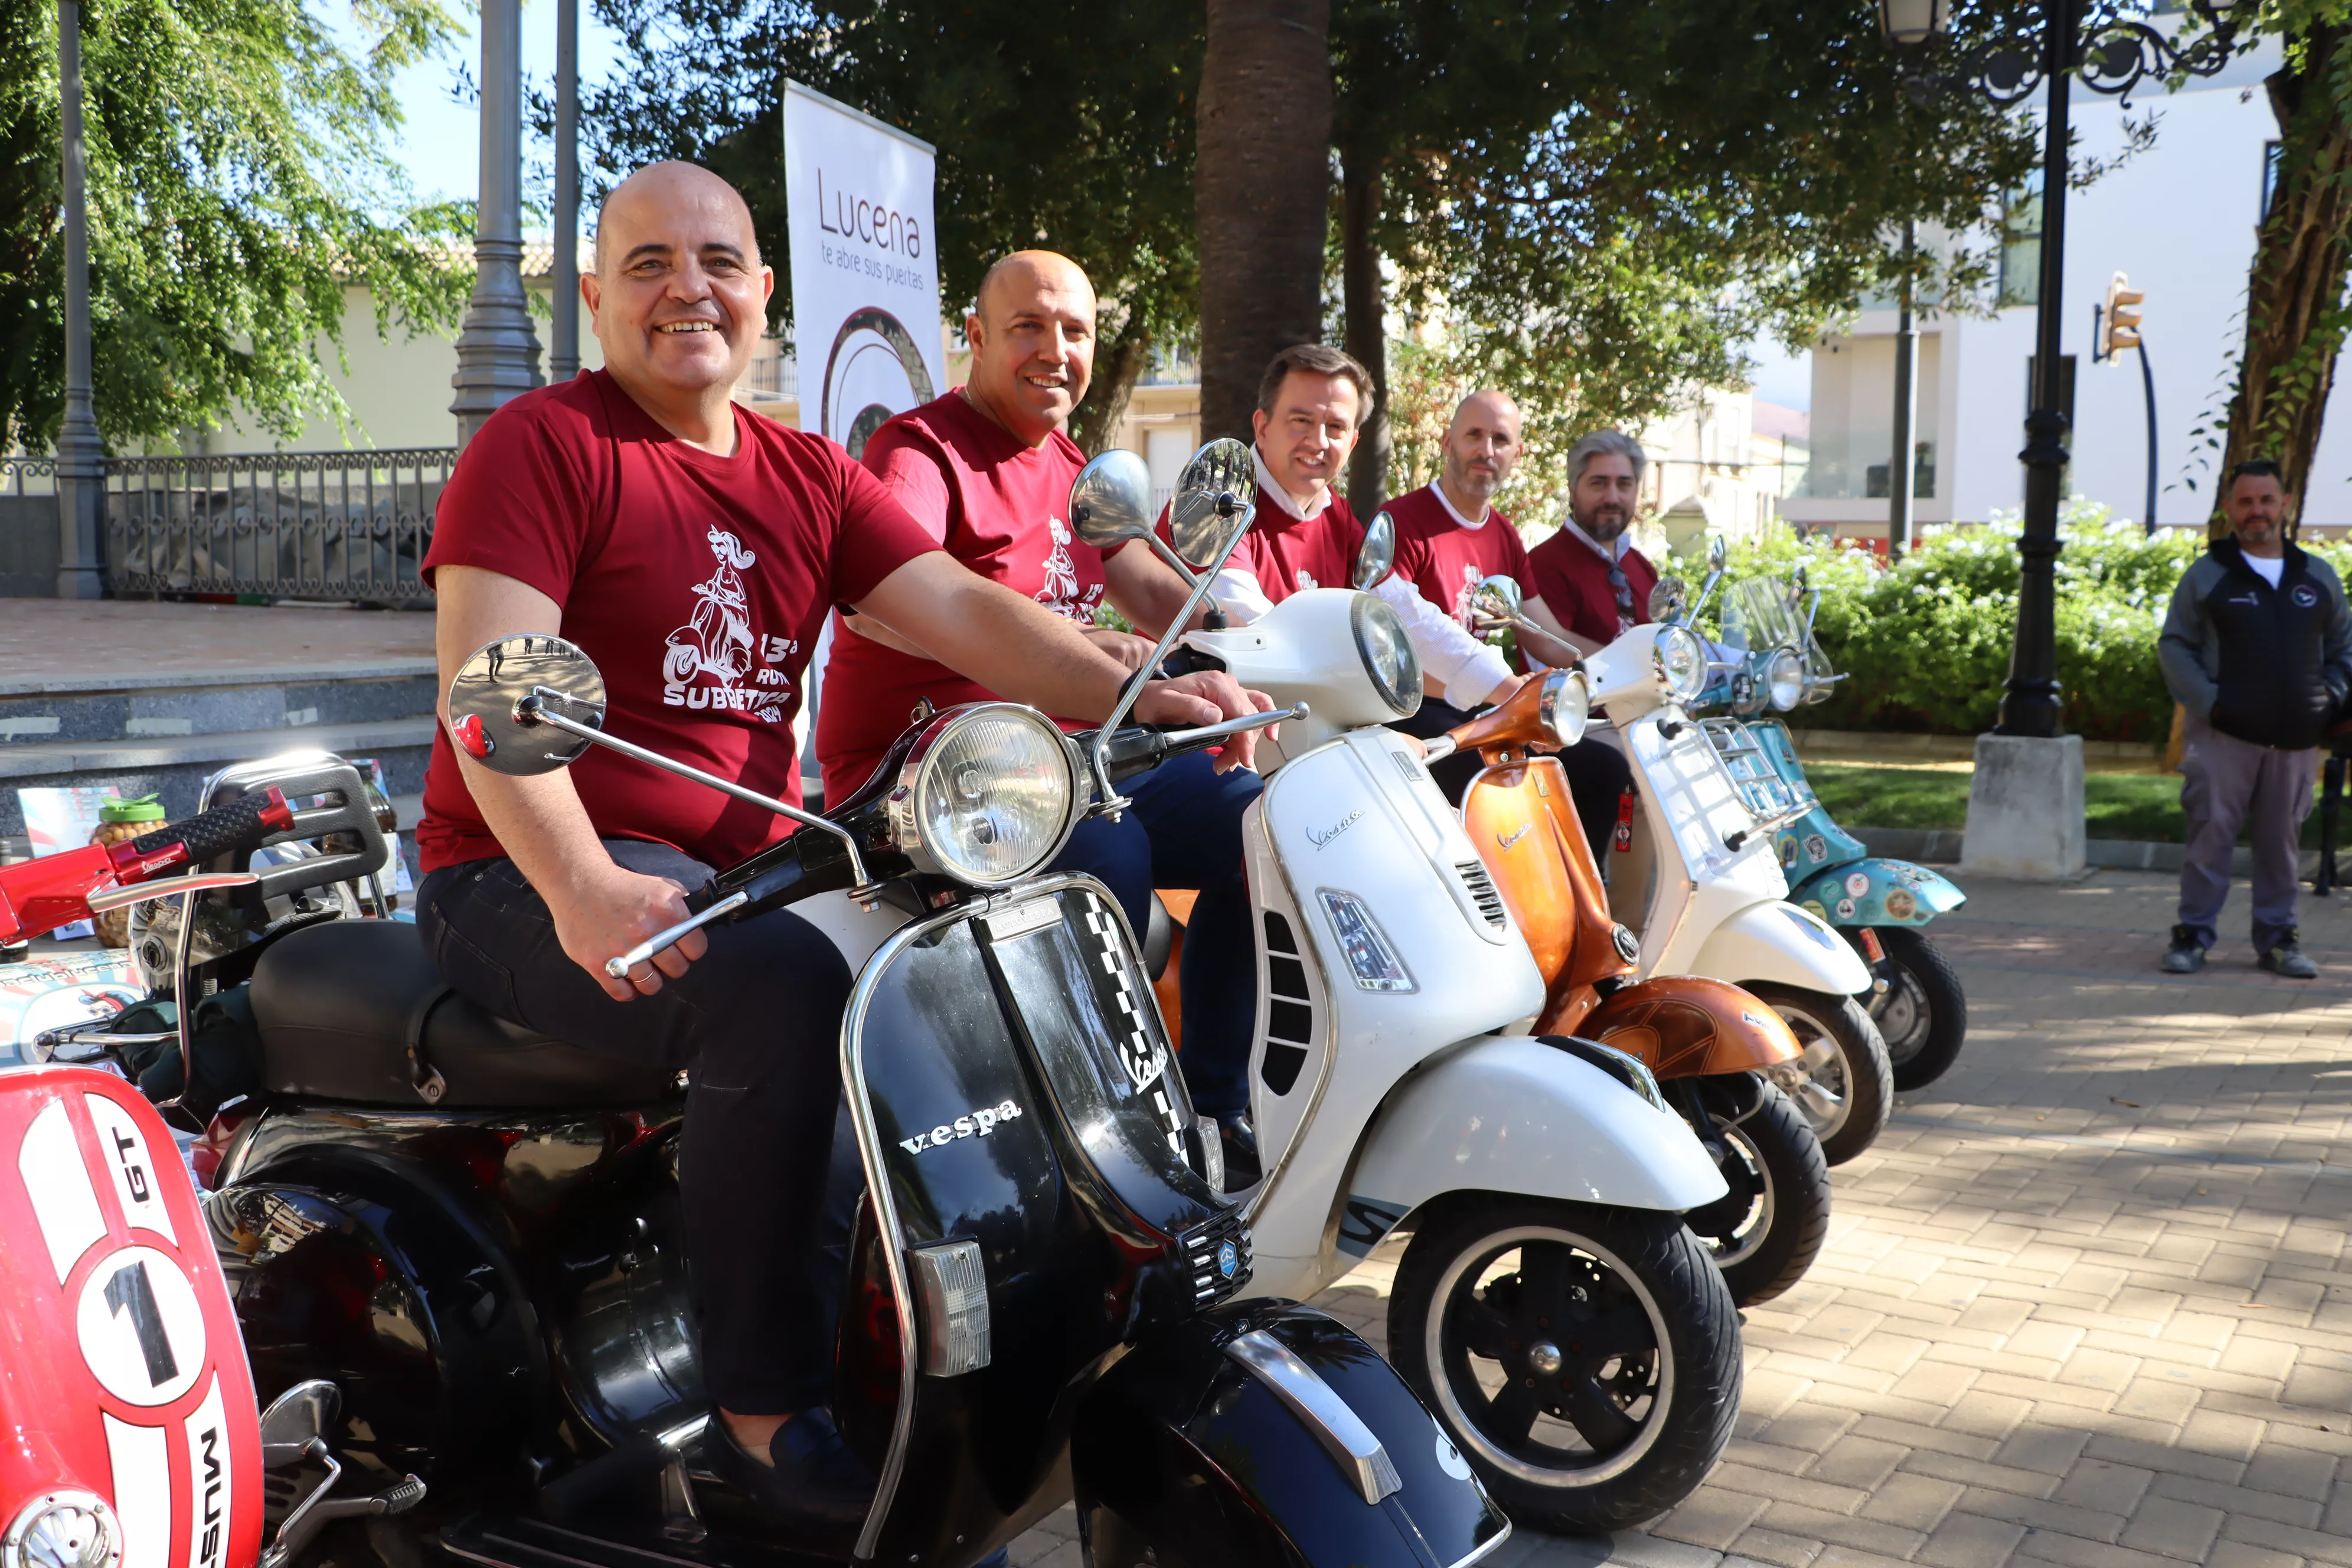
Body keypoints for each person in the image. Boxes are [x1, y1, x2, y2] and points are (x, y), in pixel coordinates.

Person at [411, 162, 1263, 1539]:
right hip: (519, 872)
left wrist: (1144, 694)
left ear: (763, 293)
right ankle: (763, 1412)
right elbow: (486, 700)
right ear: (594, 297)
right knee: (787, 987)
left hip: (754, 867)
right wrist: (578, 884)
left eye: (716, 261)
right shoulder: (545, 446)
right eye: (646, 265)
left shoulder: (804, 472)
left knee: (979, 946)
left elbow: (964, 611)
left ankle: (989, 1311)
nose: (686, 287)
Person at [814, 249, 1271, 1185]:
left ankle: (1215, 1109)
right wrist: (1090, 652)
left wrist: (1255, 640)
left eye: (1075, 331)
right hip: (930, 774)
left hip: (1058, 760)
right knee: (1113, 852)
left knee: (1259, 821)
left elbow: (1154, 591)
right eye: (1027, 326)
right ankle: (1101, 1145)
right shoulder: (920, 451)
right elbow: (874, 598)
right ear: (974, 339)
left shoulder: (1069, 464)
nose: (1055, 349)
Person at [1193, 345, 1531, 718]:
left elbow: (1404, 611)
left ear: (1353, 442)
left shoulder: (1335, 513)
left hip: (1299, 726)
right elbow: (1252, 630)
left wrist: (1511, 688)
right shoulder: (1215, 501)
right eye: (1301, 420)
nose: (1319, 441)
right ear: (1262, 426)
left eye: (1336, 427)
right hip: (1203, 738)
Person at [2157, 459, 2352, 978]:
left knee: (2282, 844)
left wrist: (2329, 699)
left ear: (2284, 504)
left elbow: (2344, 648)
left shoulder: (2318, 576)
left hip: (2294, 740)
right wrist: (2212, 703)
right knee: (2210, 838)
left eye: (2266, 500)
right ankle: (2192, 936)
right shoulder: (2208, 576)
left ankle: (2279, 940)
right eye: (2245, 502)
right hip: (2223, 735)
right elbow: (2175, 646)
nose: (2257, 511)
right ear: (2229, 509)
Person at [1524, 430, 1661, 654]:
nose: (1612, 498)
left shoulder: (1641, 567)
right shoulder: (1544, 565)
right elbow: (1547, 657)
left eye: (1624, 484)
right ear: (1573, 490)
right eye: (1599, 484)